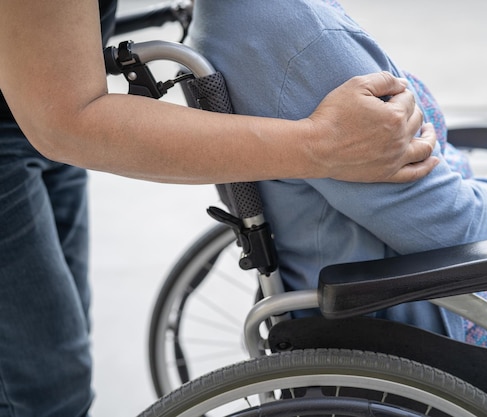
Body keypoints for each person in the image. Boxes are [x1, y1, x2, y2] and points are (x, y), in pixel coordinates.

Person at [0, 0, 441, 416]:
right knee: (45, 388)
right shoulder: (297, 36)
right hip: (28, 118)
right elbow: (67, 121)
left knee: (51, 359)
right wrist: (320, 145)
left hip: (31, 98)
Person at [186, 0, 487, 415]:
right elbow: (453, 224)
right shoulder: (297, 40)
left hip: (382, 290)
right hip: (440, 310)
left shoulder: (229, 21)